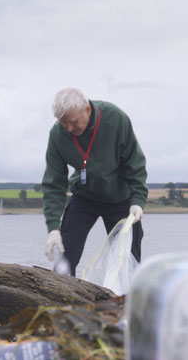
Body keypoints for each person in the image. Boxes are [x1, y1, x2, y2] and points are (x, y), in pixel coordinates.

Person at [41, 88, 147, 272]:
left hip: (120, 197)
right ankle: (63, 297)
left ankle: (127, 298)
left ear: (87, 110)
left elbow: (134, 162)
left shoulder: (115, 119)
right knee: (66, 252)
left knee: (128, 257)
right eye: (63, 123)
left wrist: (138, 201)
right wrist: (53, 227)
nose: (69, 129)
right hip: (84, 196)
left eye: (73, 122)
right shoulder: (58, 135)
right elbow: (54, 182)